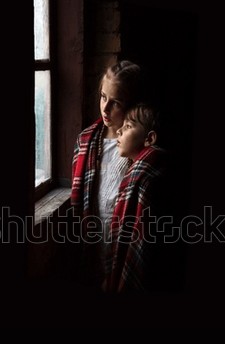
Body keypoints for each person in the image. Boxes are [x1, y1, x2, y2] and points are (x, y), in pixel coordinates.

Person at [71, 60, 145, 289]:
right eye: (103, 97)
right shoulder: (86, 142)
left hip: (122, 245)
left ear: (132, 105)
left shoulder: (140, 147)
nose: (105, 108)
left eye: (115, 103)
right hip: (93, 243)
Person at [103, 103, 175, 293]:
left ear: (149, 138)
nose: (118, 131)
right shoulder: (139, 170)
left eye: (127, 126)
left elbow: (141, 241)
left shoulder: (147, 178)